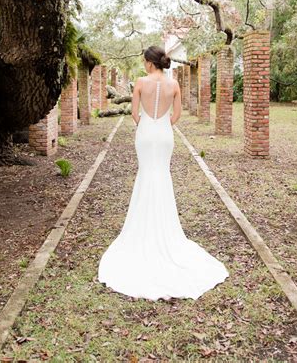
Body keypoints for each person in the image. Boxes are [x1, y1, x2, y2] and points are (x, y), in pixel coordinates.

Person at [97, 45, 229, 300]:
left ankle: (142, 226)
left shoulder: (140, 82)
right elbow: (176, 114)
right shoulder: (173, 85)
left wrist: (147, 125)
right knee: (162, 175)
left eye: (143, 60)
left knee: (146, 174)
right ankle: (166, 230)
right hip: (165, 135)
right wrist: (163, 126)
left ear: (148, 62)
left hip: (146, 134)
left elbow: (134, 113)